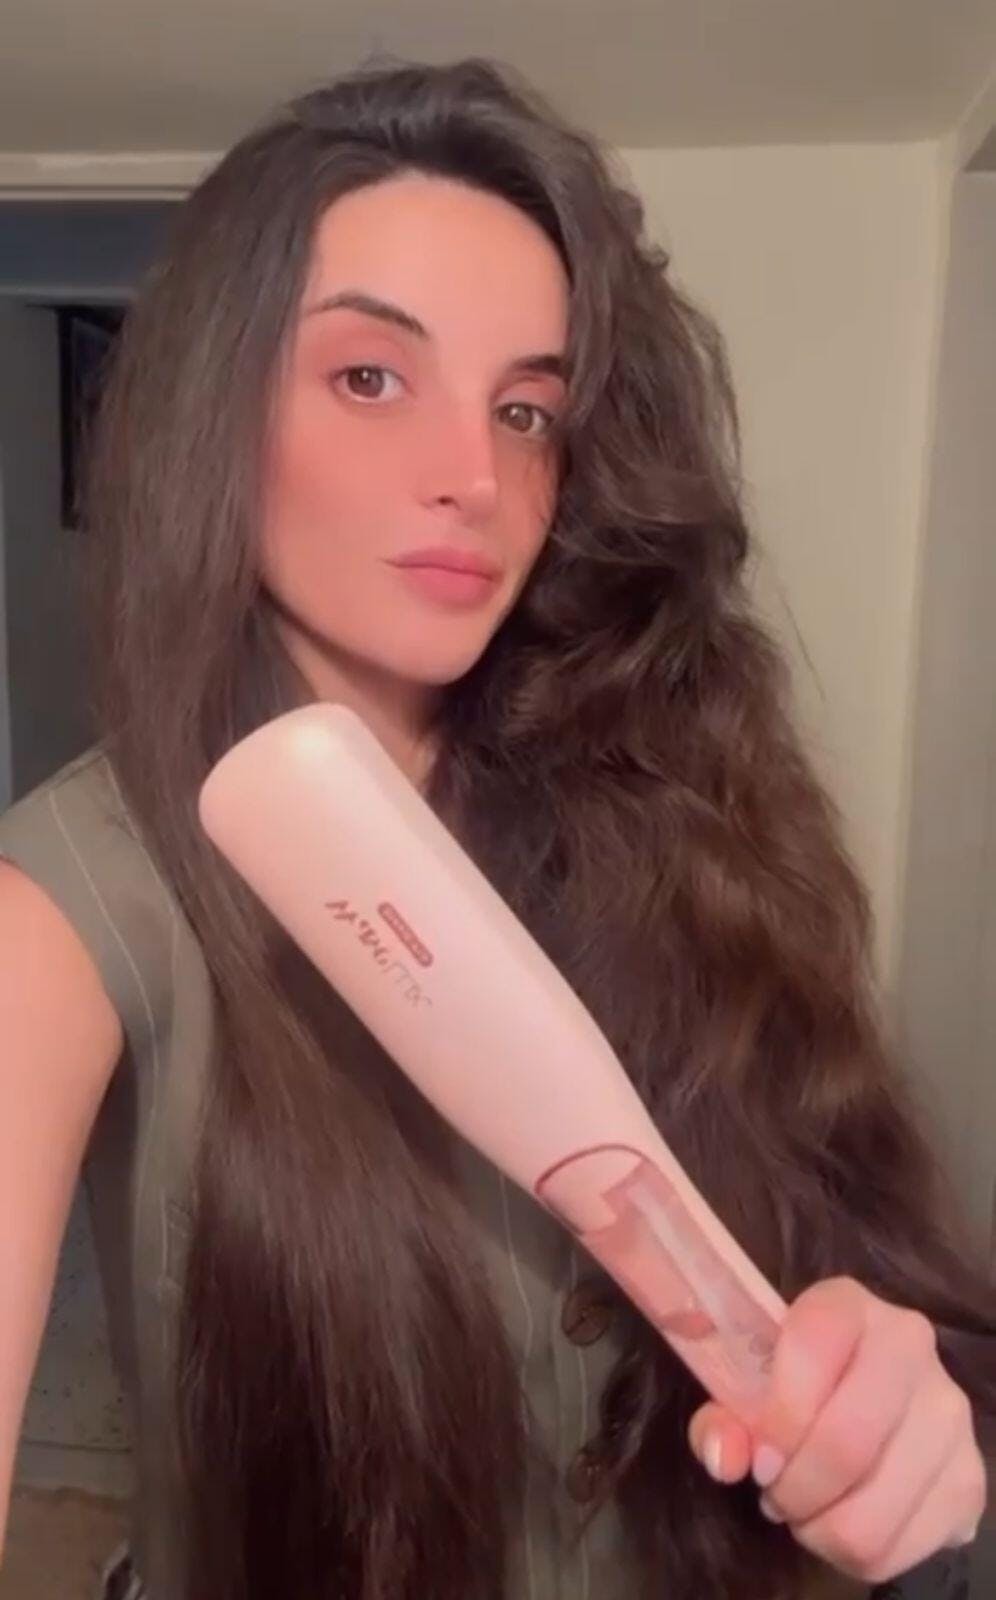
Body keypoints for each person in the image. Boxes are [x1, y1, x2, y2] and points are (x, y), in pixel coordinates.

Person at [0, 56, 991, 1600]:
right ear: (215, 417)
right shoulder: (70, 905)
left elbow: (864, 1274)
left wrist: (899, 1405)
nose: (475, 476)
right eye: (369, 377)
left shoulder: (675, 799)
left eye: (527, 407)